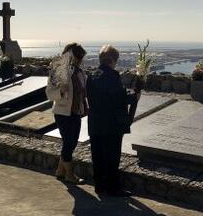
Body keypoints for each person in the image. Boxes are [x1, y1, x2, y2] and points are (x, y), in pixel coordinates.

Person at [87, 45, 140, 196]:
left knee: (97, 155)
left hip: (95, 122)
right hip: (110, 124)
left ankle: (99, 185)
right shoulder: (112, 75)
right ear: (113, 60)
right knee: (111, 156)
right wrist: (134, 96)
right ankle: (112, 187)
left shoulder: (92, 75)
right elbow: (118, 98)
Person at [46, 43, 87, 184]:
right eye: (78, 57)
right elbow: (49, 93)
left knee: (71, 142)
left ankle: (60, 171)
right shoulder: (58, 69)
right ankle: (70, 174)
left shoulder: (80, 72)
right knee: (69, 143)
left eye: (81, 58)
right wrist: (61, 91)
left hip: (76, 112)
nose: (79, 60)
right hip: (63, 112)